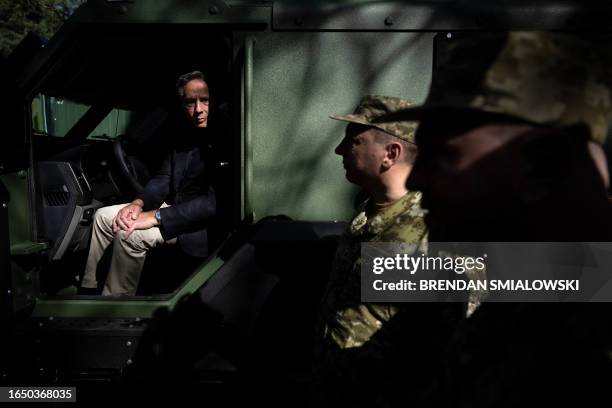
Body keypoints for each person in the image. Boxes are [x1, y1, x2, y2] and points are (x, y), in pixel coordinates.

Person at [375, 32, 612, 406]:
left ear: (541, 166)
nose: (417, 179)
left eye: (444, 156)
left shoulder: (587, 332)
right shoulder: (538, 297)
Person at [312, 95, 462, 407]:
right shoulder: (367, 211)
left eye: (354, 140)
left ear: (390, 154)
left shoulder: (432, 232)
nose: (339, 150)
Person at [80, 71, 217, 296]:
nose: (199, 109)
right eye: (190, 103)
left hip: (196, 224)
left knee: (129, 234)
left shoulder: (226, 140)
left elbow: (211, 205)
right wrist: (138, 203)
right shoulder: (184, 136)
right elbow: (163, 179)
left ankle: (115, 305)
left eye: (205, 100)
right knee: (104, 217)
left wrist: (155, 217)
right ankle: (89, 290)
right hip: (172, 208)